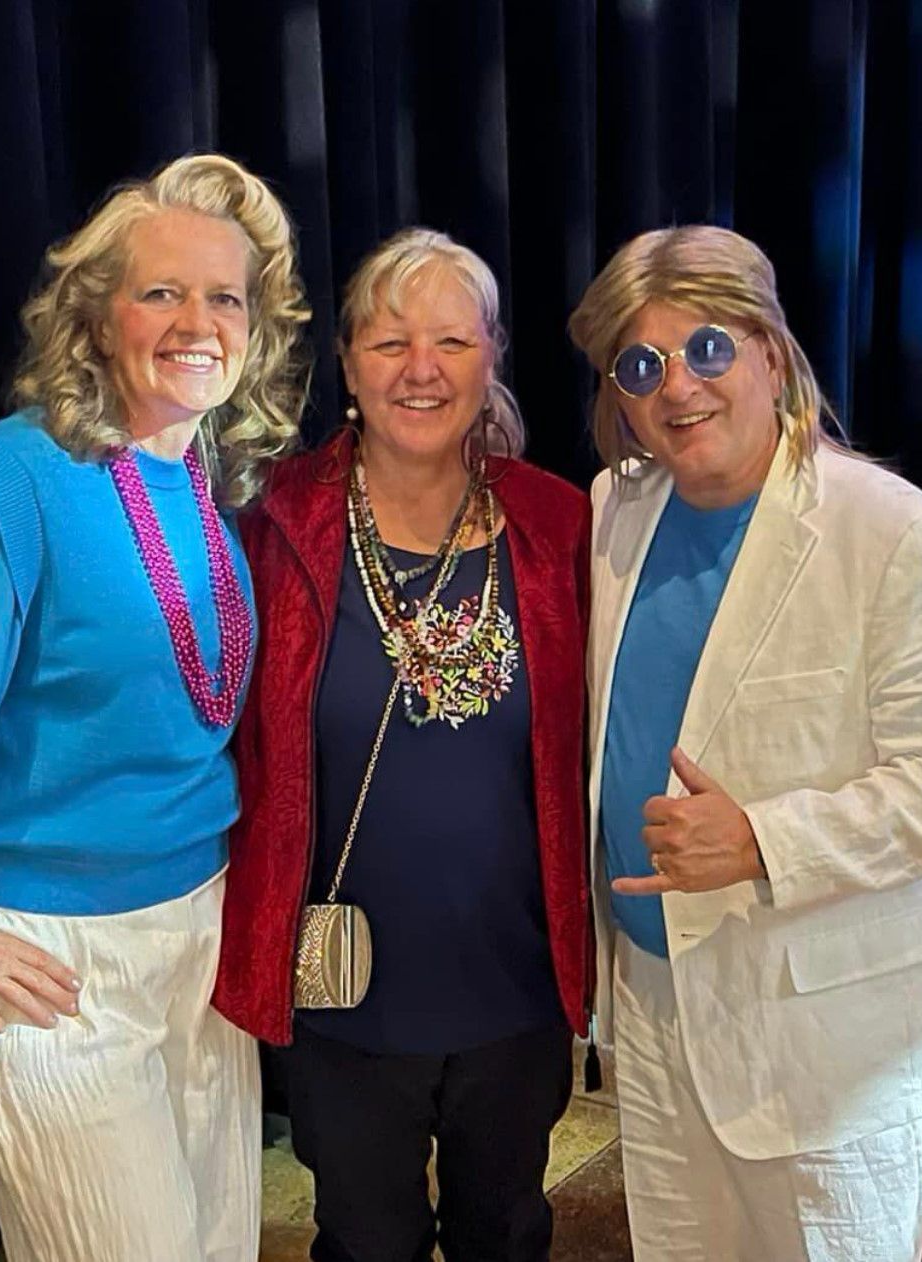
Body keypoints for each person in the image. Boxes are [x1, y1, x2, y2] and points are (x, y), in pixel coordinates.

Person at [0, 153, 311, 1261]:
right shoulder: (7, 482)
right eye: (161, 291)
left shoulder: (208, 476)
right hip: (55, 961)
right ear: (95, 315)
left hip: (199, 943)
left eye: (226, 295)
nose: (198, 321)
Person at [568, 224, 922, 1261]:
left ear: (772, 352)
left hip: (825, 1035)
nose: (680, 385)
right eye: (643, 364)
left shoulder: (898, 535)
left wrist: (766, 839)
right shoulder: (614, 512)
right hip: (655, 1006)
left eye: (710, 347)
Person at [215, 227, 591, 1262]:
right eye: (389, 343)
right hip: (345, 993)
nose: (421, 370)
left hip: (514, 981)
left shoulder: (562, 526)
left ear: (491, 356)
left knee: (508, 1228)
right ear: (346, 363)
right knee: (363, 1237)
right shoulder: (273, 524)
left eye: (451, 342)